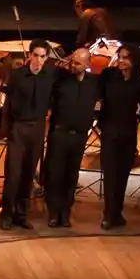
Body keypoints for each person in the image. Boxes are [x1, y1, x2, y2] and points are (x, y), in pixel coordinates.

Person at [0, 39, 56, 230]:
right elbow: (7, 105)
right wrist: (5, 130)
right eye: (36, 56)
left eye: (43, 57)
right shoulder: (17, 75)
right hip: (18, 127)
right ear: (29, 55)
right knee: (13, 173)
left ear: (47, 58)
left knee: (29, 173)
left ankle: (21, 215)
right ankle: (6, 214)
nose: (39, 60)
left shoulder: (50, 75)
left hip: (38, 128)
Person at [98, 44, 140, 230]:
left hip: (128, 133)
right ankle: (108, 214)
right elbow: (96, 93)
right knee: (110, 174)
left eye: (125, 58)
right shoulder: (108, 76)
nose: (121, 61)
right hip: (109, 132)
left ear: (134, 61)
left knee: (122, 175)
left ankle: (117, 212)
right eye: (119, 57)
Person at [43, 47, 97, 227]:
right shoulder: (61, 79)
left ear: (88, 64)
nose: (73, 65)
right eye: (72, 61)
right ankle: (53, 212)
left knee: (71, 175)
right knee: (54, 173)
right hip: (60, 133)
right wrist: (63, 64)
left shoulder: (93, 83)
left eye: (78, 63)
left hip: (79, 136)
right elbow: (49, 70)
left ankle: (65, 213)